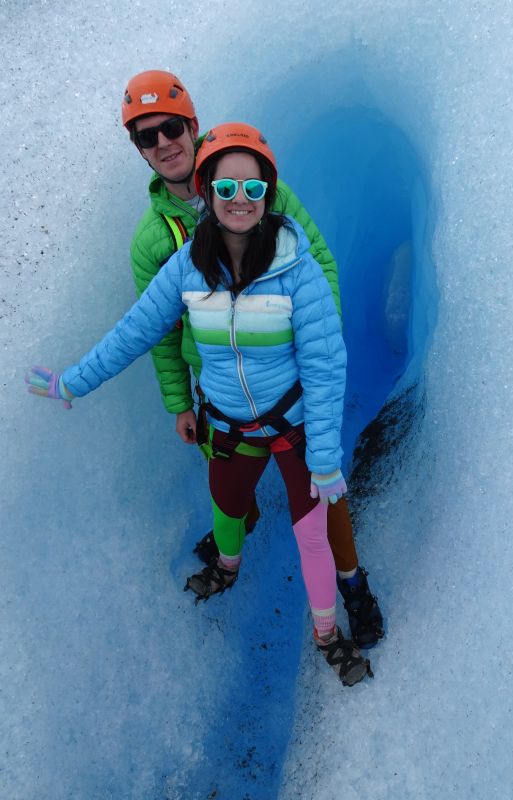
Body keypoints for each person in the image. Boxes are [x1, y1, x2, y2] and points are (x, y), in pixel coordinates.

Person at [25, 122, 373, 686]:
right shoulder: (185, 267)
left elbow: (326, 369)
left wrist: (326, 459)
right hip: (228, 428)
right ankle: (229, 567)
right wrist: (72, 384)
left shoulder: (298, 271)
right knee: (227, 508)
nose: (240, 200)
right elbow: (133, 334)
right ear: (206, 191)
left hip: (294, 427)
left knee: (310, 534)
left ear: (269, 195)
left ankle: (329, 636)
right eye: (227, 188)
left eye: (253, 190)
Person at [121, 70, 384, 649]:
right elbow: (160, 332)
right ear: (138, 149)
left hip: (290, 380)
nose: (163, 143)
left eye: (171, 127)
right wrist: (178, 402)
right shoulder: (153, 240)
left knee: (322, 487)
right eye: (146, 136)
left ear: (192, 124)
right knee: (230, 484)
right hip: (222, 391)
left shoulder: (250, 174)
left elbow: (320, 263)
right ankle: (236, 538)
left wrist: (319, 354)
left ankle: (353, 587)